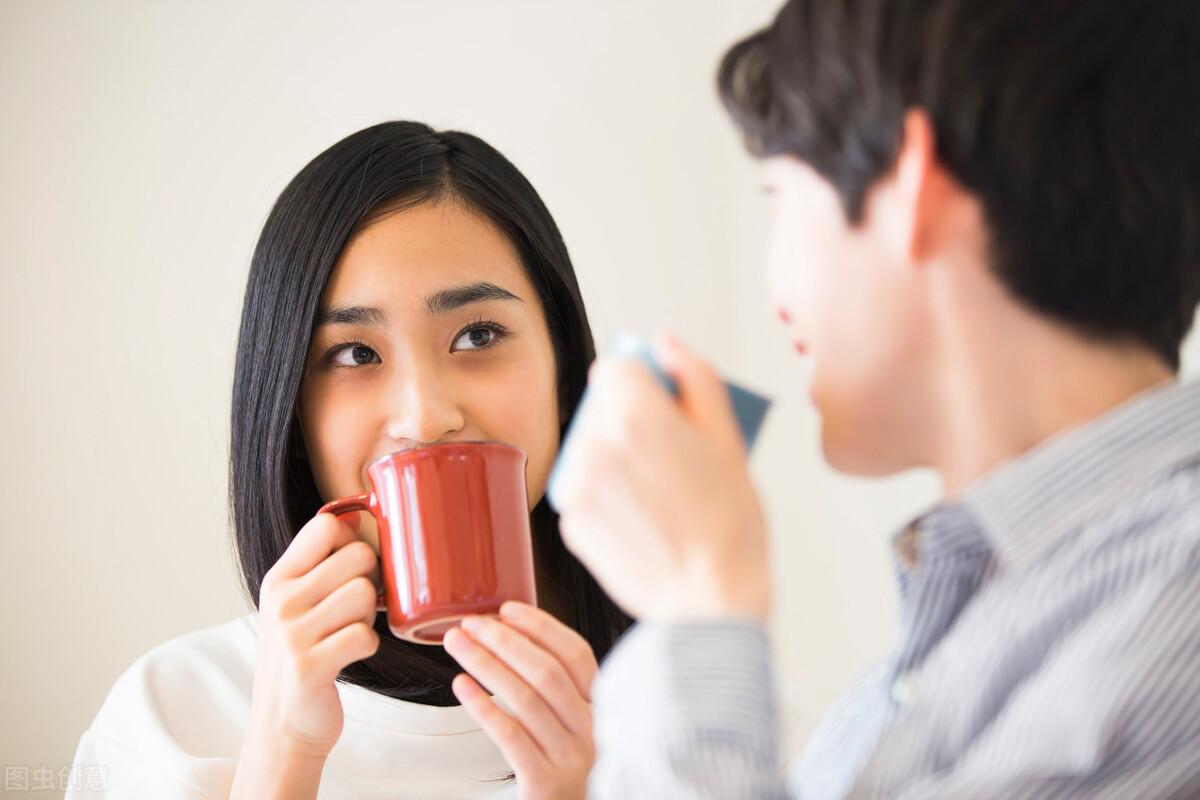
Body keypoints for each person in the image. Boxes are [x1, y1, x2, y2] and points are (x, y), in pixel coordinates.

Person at [545, 1, 1200, 797]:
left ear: (908, 188)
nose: (773, 292)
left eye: (779, 197)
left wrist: (699, 603)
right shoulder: (890, 696)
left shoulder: (1172, 609)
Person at [67, 121, 631, 799]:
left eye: (478, 335)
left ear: (564, 374)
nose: (424, 415)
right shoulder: (172, 716)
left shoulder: (699, 711)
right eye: (355, 354)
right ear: (293, 414)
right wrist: (283, 752)